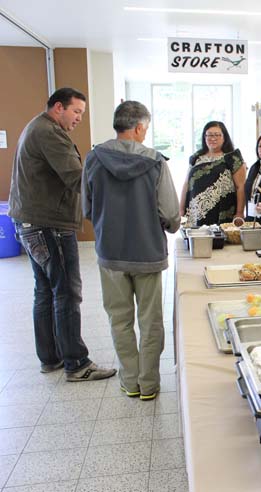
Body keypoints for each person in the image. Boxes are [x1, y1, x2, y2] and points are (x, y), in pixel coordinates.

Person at [8, 87, 116, 381]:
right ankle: (77, 363)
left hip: (30, 222)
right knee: (67, 291)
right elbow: (76, 177)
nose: (80, 118)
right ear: (59, 107)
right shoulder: (49, 133)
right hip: (49, 226)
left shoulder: (37, 127)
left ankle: (51, 358)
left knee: (45, 290)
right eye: (76, 111)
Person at [82, 100, 180, 400]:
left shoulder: (93, 158)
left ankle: (130, 381)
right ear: (139, 127)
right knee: (150, 321)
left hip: (110, 253)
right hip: (147, 253)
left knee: (119, 320)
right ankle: (149, 384)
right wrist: (171, 226)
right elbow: (171, 212)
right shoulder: (155, 161)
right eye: (145, 129)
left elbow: (86, 207)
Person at [180, 121, 245, 226]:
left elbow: (240, 187)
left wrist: (239, 212)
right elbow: (186, 184)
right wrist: (181, 210)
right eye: (209, 135)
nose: (213, 138)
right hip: (195, 213)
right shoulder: (196, 157)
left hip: (222, 212)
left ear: (224, 137)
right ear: (204, 137)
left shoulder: (232, 158)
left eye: (217, 135)